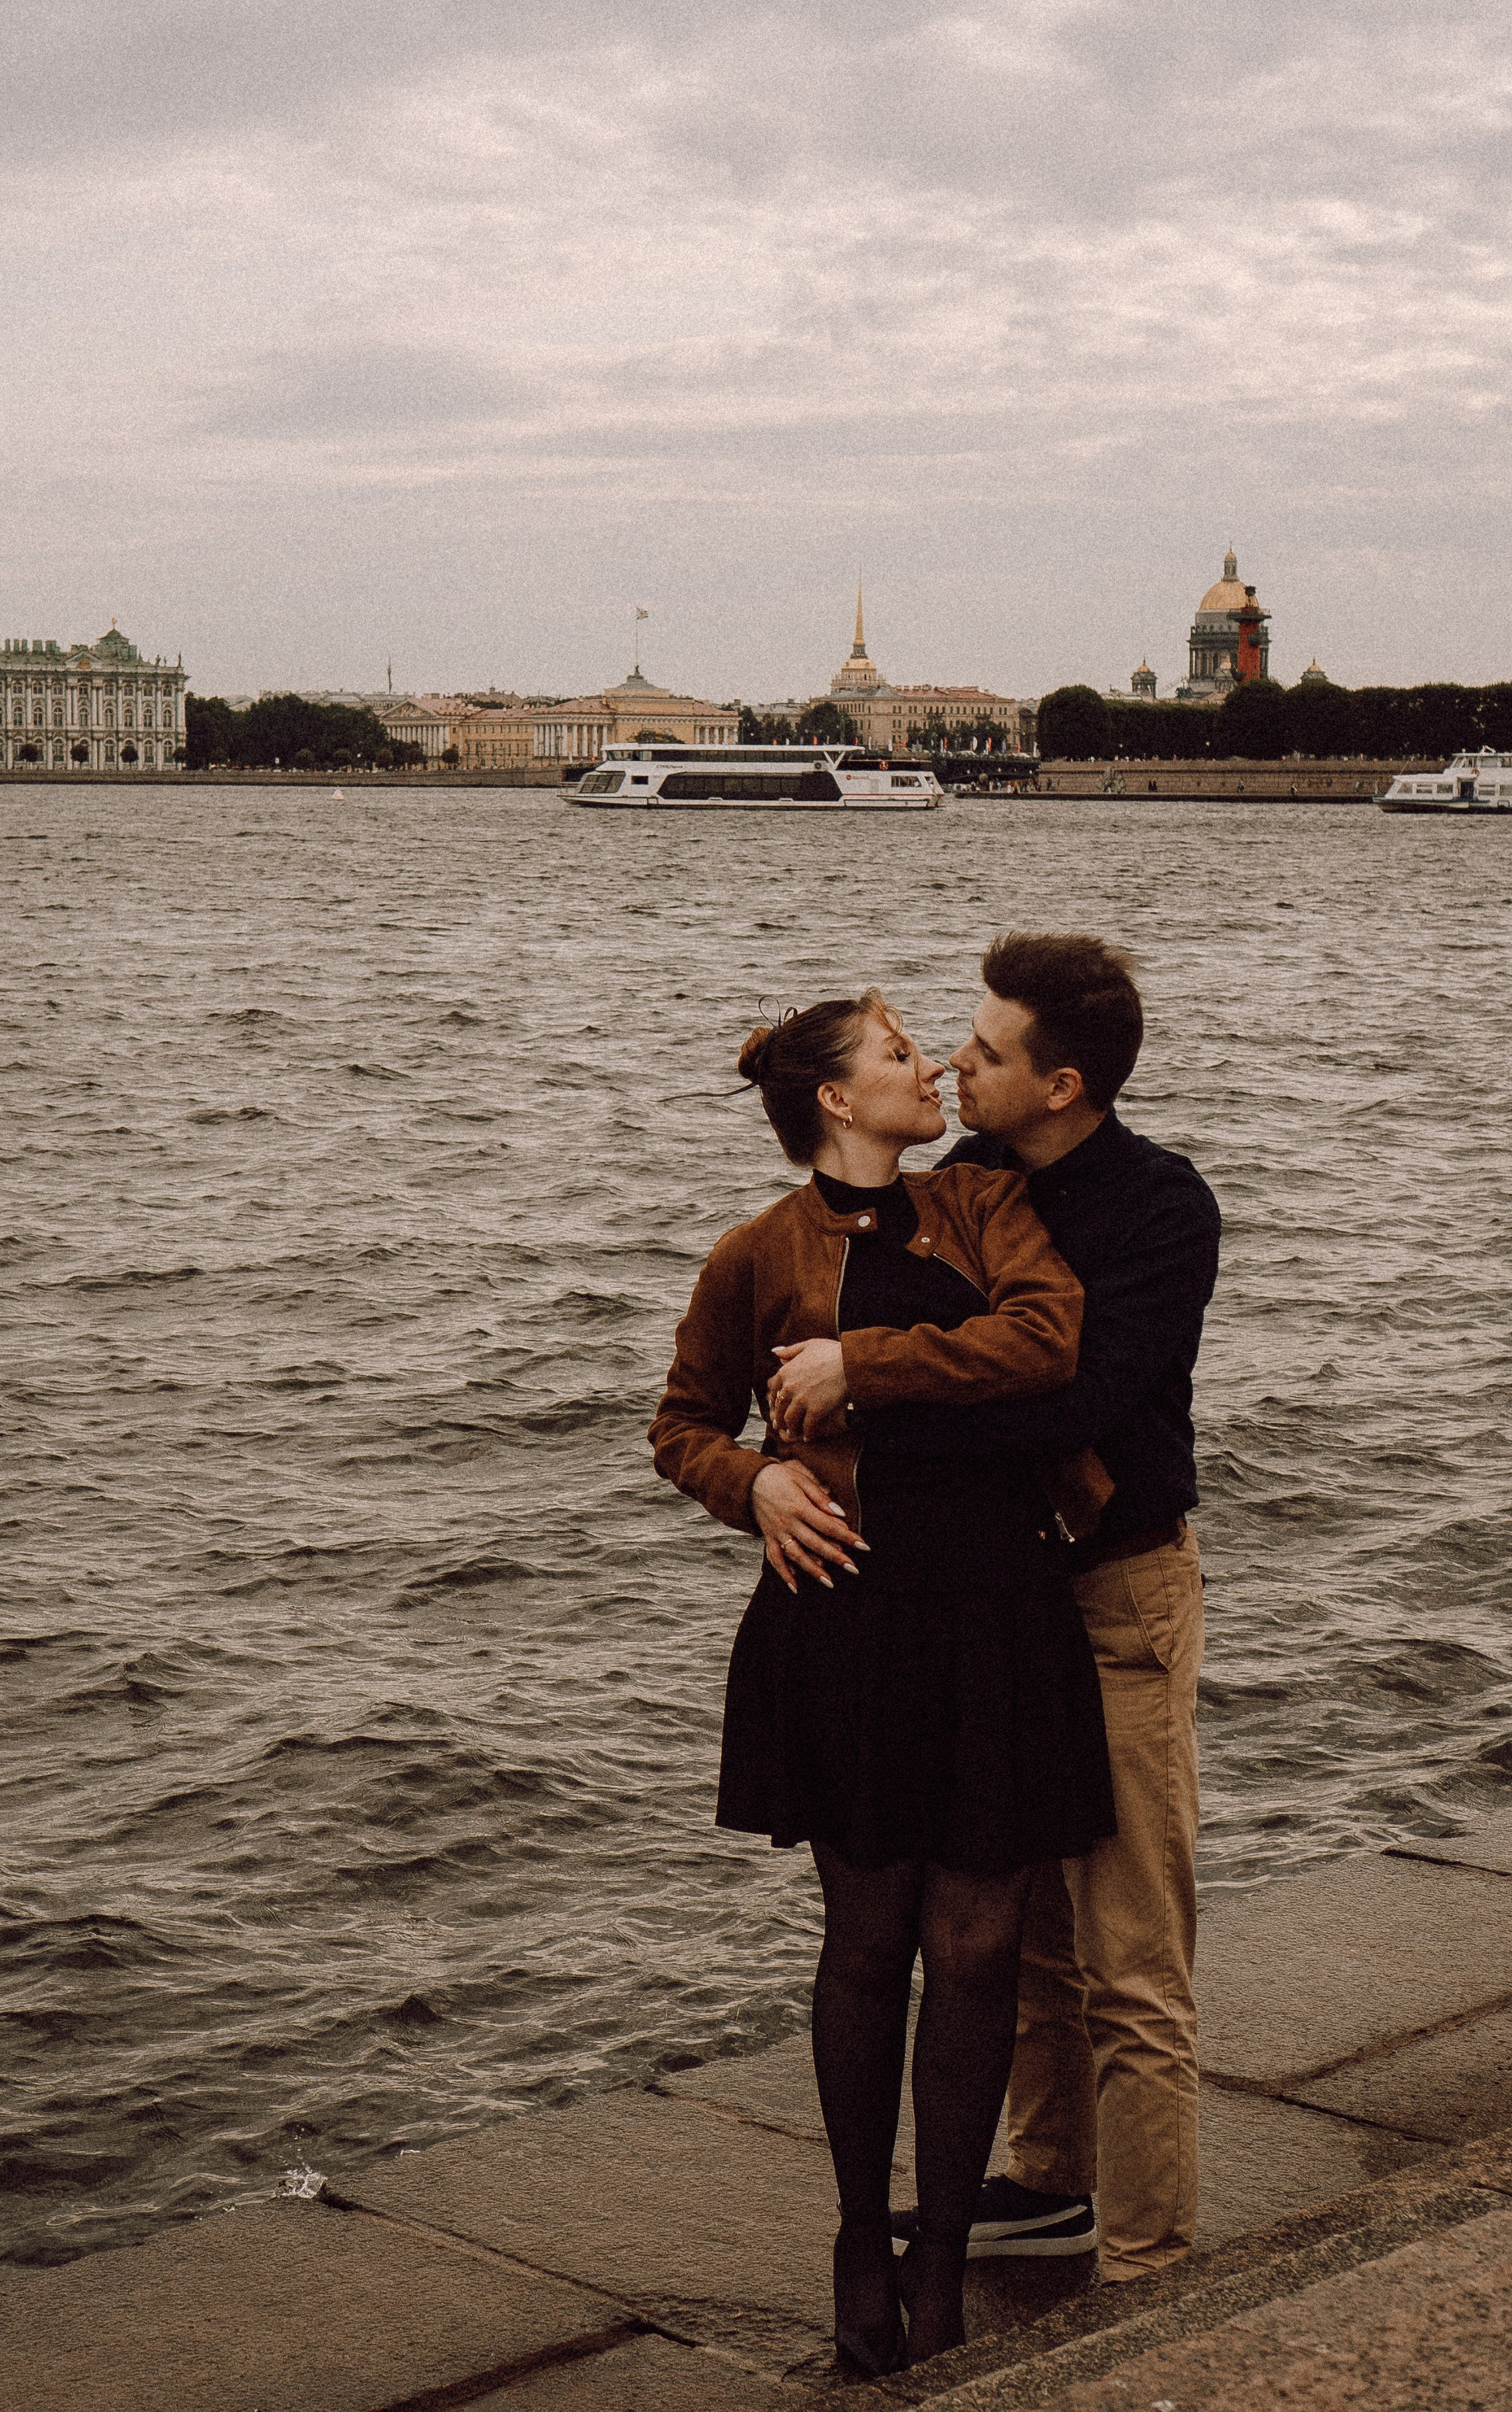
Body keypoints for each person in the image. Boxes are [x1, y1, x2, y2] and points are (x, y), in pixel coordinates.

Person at [650, 990, 1116, 2373]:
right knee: (864, 1946)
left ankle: (939, 2258)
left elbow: (1049, 1340)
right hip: (842, 1616)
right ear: (838, 1104)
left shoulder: (980, 1211)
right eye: (900, 1055)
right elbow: (678, 1425)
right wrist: (756, 1485)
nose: (930, 1070)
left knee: (975, 1949)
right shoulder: (755, 1253)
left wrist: (864, 1364)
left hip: (993, 1611)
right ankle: (860, 2232)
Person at [770, 936, 1219, 2286]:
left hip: (1118, 1591)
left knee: (1130, 1952)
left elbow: (1074, 1399)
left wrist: (868, 1379)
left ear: (1062, 1084)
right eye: (952, 1043)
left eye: (984, 1051)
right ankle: (1047, 2182)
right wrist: (785, 1454)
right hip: (1000, 1604)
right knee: (1016, 1931)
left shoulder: (1156, 1205)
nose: (956, 1064)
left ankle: (1148, 2264)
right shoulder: (961, 1182)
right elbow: (816, 1316)